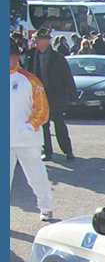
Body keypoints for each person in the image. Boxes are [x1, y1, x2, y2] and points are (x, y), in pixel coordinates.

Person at [10, 36, 55, 221]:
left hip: (26, 138)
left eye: (10, 56)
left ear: (17, 57)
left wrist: (30, 126)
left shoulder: (30, 80)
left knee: (35, 175)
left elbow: (42, 108)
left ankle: (46, 207)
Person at [24, 27, 76, 162]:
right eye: (35, 39)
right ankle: (47, 152)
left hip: (55, 96)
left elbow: (67, 77)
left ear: (46, 41)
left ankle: (68, 151)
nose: (35, 41)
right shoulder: (31, 56)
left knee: (59, 124)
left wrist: (73, 97)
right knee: (43, 126)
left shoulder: (58, 58)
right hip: (39, 97)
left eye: (38, 39)